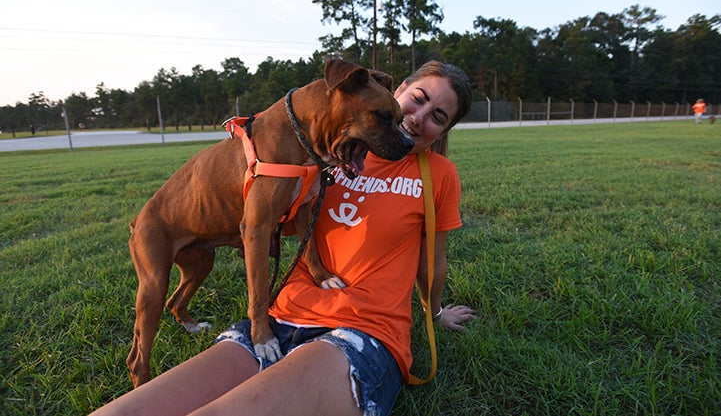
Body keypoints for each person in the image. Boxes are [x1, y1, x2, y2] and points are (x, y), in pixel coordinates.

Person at [90, 60, 477, 416]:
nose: (417, 117)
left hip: (363, 329)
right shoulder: (319, 152)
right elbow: (256, 221)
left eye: (437, 117)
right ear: (397, 89)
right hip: (281, 316)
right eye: (418, 99)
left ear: (444, 131)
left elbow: (433, 261)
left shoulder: (436, 175)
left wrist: (436, 312)